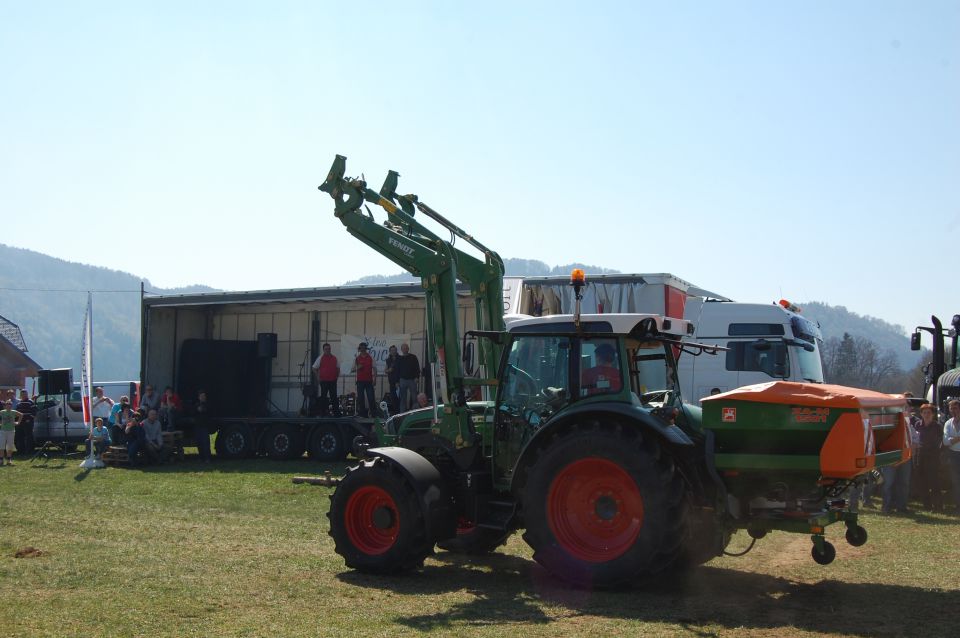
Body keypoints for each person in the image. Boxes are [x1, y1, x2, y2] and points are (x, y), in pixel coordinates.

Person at [882, 393, 917, 513]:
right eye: (904, 406)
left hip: (906, 457)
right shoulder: (890, 420)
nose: (906, 409)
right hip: (891, 457)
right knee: (888, 483)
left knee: (904, 483)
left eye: (907, 407)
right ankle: (886, 507)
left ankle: (901, 507)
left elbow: (915, 440)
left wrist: (909, 452)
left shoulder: (910, 423)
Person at [914, 403, 943, 511]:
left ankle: (938, 506)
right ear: (921, 413)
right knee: (922, 482)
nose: (926, 414)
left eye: (929, 412)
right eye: (924, 412)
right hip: (920, 456)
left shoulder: (937, 426)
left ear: (933, 414)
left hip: (932, 457)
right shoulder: (917, 425)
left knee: (934, 482)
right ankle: (927, 506)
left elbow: (939, 442)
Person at [312, 343, 341, 417]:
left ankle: (336, 413)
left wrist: (336, 377)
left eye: (329, 349)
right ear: (323, 350)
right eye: (326, 349)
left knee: (334, 397)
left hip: (333, 381)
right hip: (324, 381)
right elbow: (314, 368)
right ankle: (322, 413)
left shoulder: (334, 358)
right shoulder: (320, 358)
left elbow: (338, 368)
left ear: (330, 349)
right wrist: (318, 377)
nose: (328, 350)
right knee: (323, 397)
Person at [942, 399, 960, 514]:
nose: (953, 410)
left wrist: (953, 439)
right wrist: (958, 438)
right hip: (953, 455)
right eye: (951, 408)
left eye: (956, 408)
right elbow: (945, 441)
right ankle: (958, 506)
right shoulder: (948, 423)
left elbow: (949, 440)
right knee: (956, 481)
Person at [351, 342, 376, 418]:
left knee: (371, 398)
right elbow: (352, 370)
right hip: (360, 381)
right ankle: (362, 414)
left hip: (369, 381)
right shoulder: (356, 358)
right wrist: (358, 368)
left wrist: (375, 379)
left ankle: (373, 414)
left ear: (365, 348)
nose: (362, 349)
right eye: (361, 348)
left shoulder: (370, 357)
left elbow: (375, 369)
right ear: (360, 349)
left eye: (364, 348)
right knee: (361, 398)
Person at [397, 343, 420, 411]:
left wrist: (417, 377)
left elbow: (417, 368)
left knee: (414, 398)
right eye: (403, 348)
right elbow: (397, 371)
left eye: (406, 348)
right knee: (403, 398)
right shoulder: (399, 359)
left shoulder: (413, 357)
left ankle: (415, 413)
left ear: (408, 349)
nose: (405, 349)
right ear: (401, 350)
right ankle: (402, 414)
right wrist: (397, 381)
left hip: (412, 380)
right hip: (402, 380)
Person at [0, 399, 22, 466]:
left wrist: (18, 422)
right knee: (1, 445)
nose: (8, 406)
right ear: (5, 405)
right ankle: (1, 459)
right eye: (7, 404)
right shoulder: (2, 412)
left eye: (10, 405)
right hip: (3, 431)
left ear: (11, 406)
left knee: (10, 445)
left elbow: (21, 415)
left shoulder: (13, 412)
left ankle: (9, 459)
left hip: (11, 431)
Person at [14, 389, 36, 455]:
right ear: (20, 395)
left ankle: (29, 451)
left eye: (25, 394)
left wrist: (29, 419)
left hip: (28, 422)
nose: (23, 395)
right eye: (22, 394)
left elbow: (34, 413)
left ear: (27, 394)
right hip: (20, 423)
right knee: (19, 437)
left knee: (28, 437)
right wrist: (17, 421)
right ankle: (20, 451)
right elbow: (17, 413)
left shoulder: (31, 402)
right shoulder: (19, 403)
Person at [193, 389, 212, 463]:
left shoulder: (208, 404)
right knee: (199, 443)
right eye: (201, 396)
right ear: (199, 397)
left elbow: (208, 411)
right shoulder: (196, 405)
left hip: (205, 426)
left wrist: (202, 409)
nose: (203, 397)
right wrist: (197, 409)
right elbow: (192, 411)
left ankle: (208, 458)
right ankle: (201, 458)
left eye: (204, 396)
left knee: (206, 443)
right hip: (197, 426)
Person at [385, 345, 400, 410]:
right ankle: (395, 412)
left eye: (395, 350)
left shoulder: (400, 358)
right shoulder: (388, 360)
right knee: (393, 397)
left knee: (400, 397)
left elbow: (402, 370)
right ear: (390, 351)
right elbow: (385, 370)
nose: (393, 351)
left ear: (396, 351)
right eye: (392, 350)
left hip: (399, 381)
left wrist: (398, 382)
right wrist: (389, 370)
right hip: (391, 382)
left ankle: (400, 412)